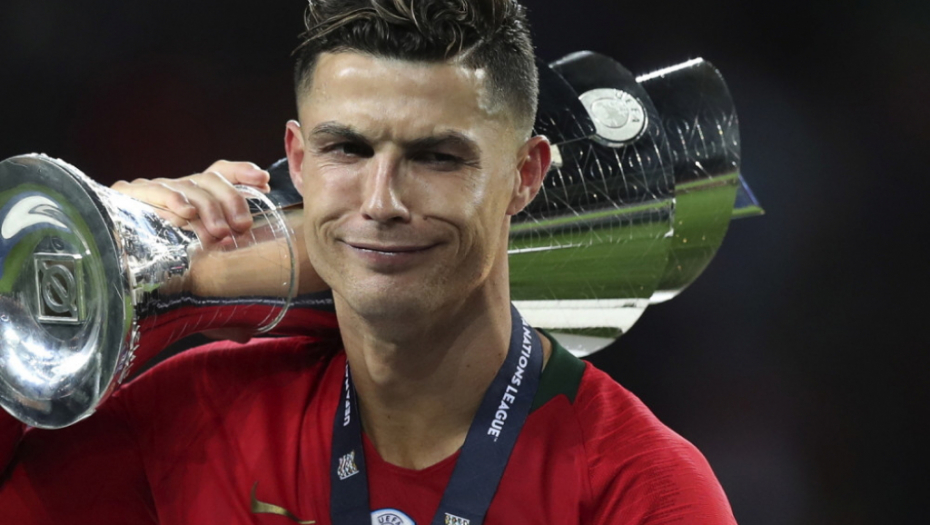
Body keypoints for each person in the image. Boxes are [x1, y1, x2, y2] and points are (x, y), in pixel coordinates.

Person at [0, 0, 737, 523]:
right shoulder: (196, 419)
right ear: (297, 159)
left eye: (436, 157)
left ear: (524, 175)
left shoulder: (639, 491)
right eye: (347, 149)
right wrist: (129, 272)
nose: (382, 201)